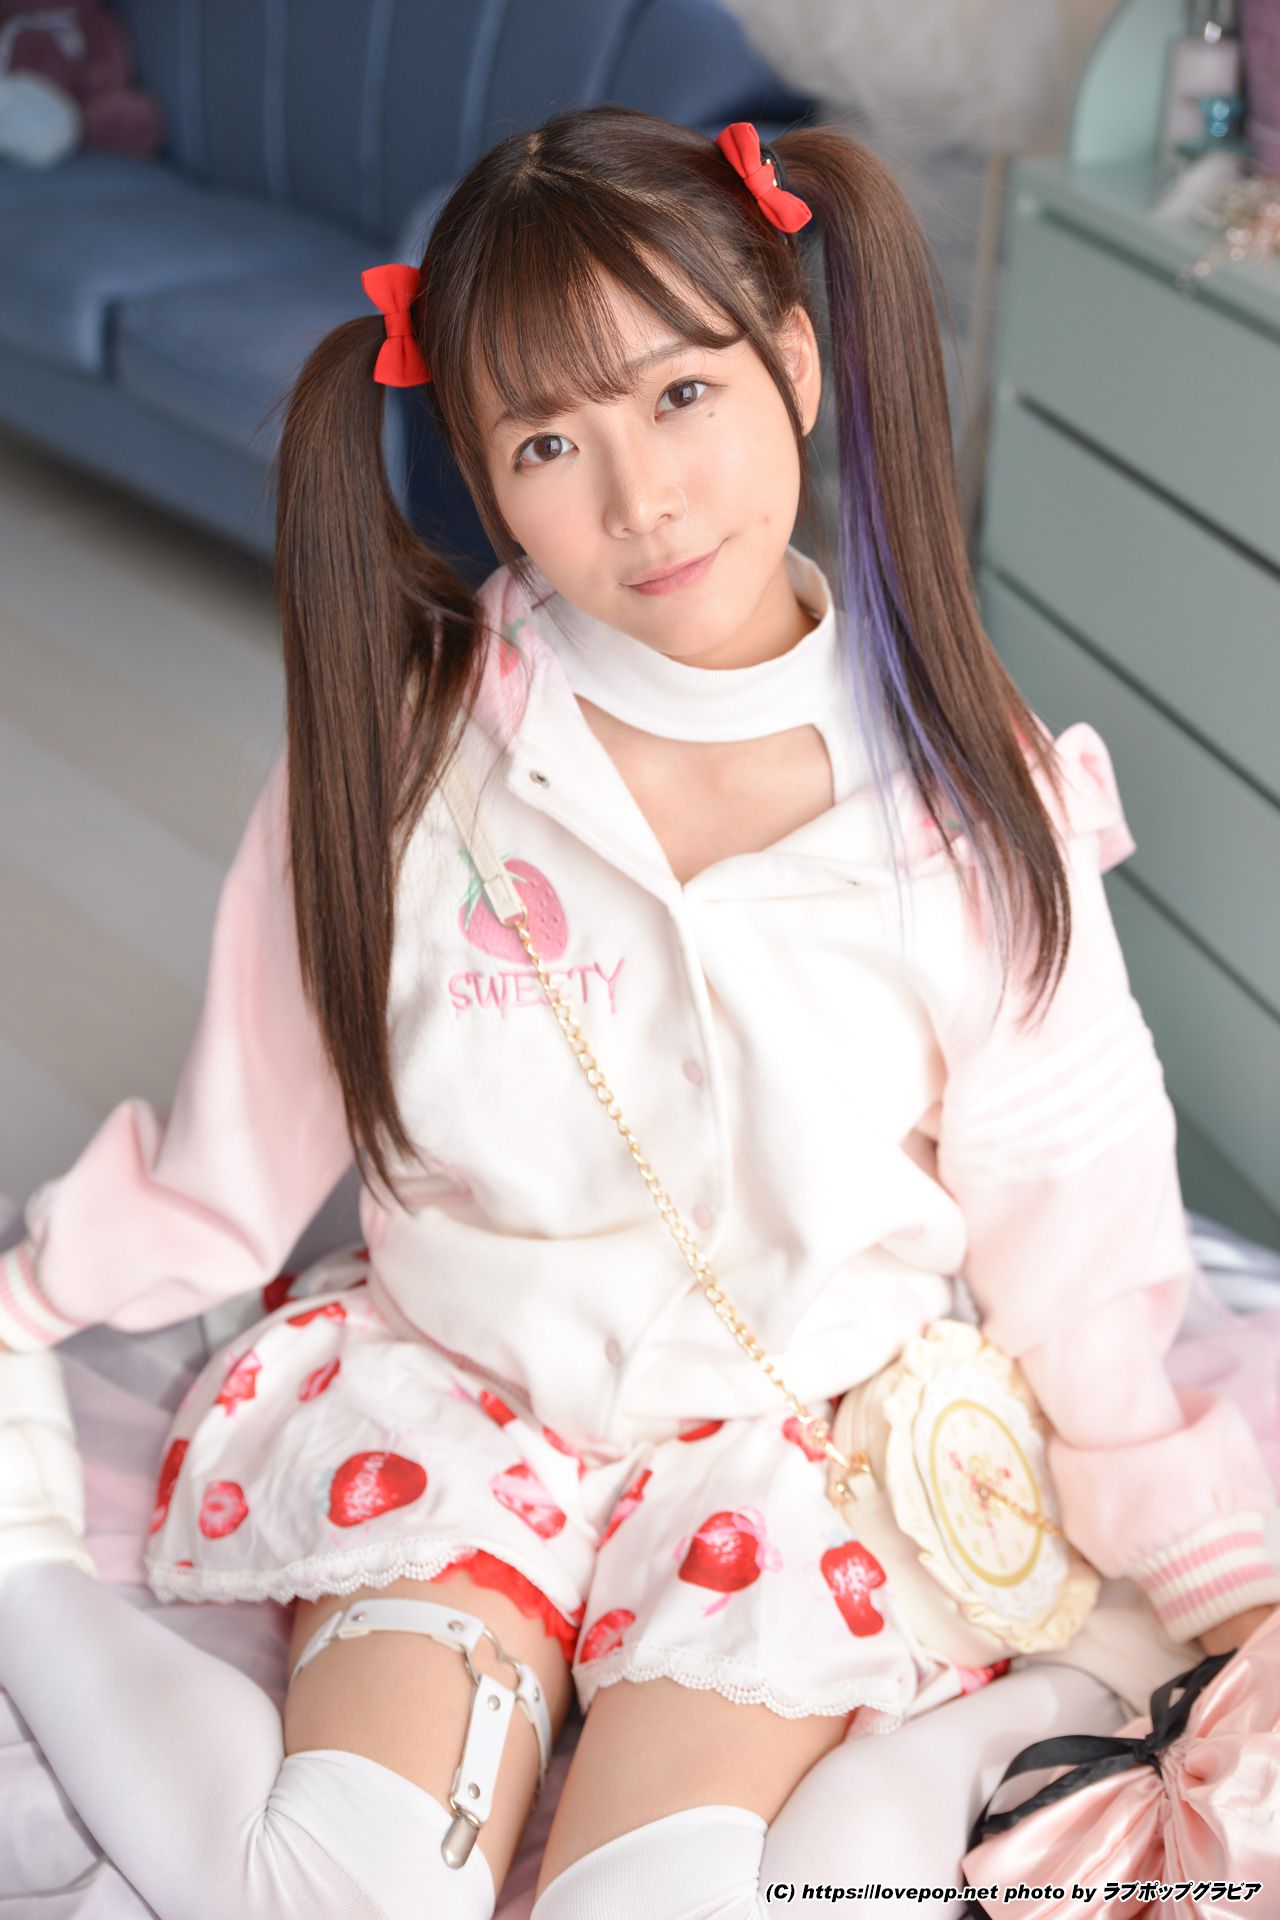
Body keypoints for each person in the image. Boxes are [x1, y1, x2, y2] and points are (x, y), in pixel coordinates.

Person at [0, 106, 1276, 1920]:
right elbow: (252, 1127)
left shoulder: (963, 792)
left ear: (798, 365)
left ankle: (1003, 1720)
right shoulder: (408, 753)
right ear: (480, 471)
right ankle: (17, 1566)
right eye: (548, 442)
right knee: (333, 1894)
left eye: (683, 394)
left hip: (792, 1440)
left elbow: (1077, 1210)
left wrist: (1200, 1561)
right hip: (463, 1400)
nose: (640, 499)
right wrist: (34, 1300)